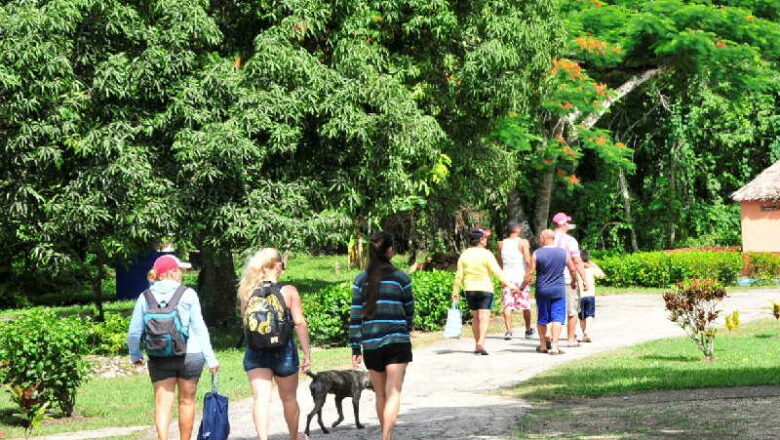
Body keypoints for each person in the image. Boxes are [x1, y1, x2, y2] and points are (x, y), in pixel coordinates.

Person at [127, 255, 219, 440]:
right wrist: (211, 358)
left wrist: (135, 354)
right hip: (191, 355)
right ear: (172, 273)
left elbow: (134, 332)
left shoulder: (145, 297)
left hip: (159, 355)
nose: (181, 274)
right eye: (179, 270)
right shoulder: (188, 294)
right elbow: (199, 328)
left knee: (162, 403)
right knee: (186, 402)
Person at [238, 248, 312, 440]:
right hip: (284, 351)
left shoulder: (247, 291)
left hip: (256, 351)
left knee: (261, 399)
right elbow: (300, 323)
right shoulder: (288, 291)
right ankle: (295, 436)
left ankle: (263, 438)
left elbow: (247, 324)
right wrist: (307, 353)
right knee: (289, 398)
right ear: (277, 265)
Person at [350, 231, 413, 440]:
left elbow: (355, 316)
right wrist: (406, 330)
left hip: (371, 344)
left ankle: (386, 437)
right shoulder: (401, 278)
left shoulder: (360, 281)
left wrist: (355, 347)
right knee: (393, 392)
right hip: (397, 341)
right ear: (390, 251)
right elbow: (409, 311)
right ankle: (386, 438)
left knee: (380, 394)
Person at [452, 228, 517, 355]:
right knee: (484, 316)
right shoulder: (487, 254)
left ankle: (477, 344)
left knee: (475, 317)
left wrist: (455, 290)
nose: (486, 240)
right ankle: (481, 342)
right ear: (480, 240)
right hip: (485, 289)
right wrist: (510, 285)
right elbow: (497, 272)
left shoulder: (464, 255)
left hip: (470, 289)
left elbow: (459, 275)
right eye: (485, 238)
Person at [522, 230, 579, 355]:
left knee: (542, 318)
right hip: (558, 290)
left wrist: (522, 286)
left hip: (542, 290)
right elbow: (573, 269)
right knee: (557, 318)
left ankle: (543, 345)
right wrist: (574, 281)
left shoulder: (537, 253)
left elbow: (530, 273)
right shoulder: (563, 253)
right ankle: (555, 346)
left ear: (543, 239)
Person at [551, 212, 589, 347]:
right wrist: (584, 279)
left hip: (550, 280)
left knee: (553, 309)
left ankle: (550, 338)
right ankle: (570, 338)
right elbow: (577, 261)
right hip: (567, 279)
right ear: (563, 224)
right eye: (566, 222)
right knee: (572, 310)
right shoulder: (569, 240)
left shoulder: (547, 239)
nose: (568, 224)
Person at [498, 221, 534, 340]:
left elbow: (500, 263)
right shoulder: (523, 242)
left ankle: (508, 331)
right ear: (518, 230)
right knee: (525, 305)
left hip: (507, 279)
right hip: (521, 278)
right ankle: (528, 330)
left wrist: (502, 277)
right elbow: (528, 261)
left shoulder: (501, 244)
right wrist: (530, 274)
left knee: (507, 305)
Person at [578, 250, 604, 343]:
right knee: (590, 314)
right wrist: (593, 264)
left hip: (579, 296)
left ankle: (584, 333)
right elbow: (602, 275)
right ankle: (587, 332)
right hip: (590, 295)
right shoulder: (590, 268)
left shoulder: (577, 269)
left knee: (581, 316)